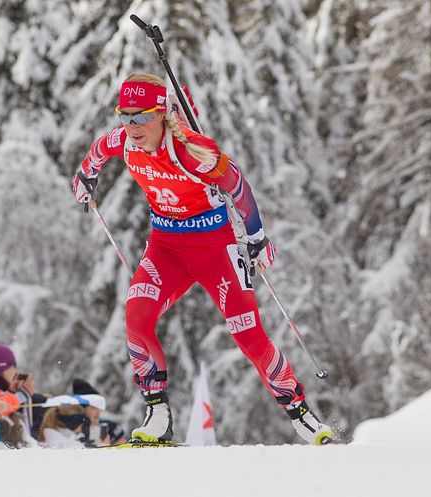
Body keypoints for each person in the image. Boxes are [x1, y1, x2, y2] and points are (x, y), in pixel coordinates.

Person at [71, 73, 334, 445]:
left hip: (216, 249)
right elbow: (98, 150)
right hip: (167, 248)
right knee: (137, 316)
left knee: (249, 337)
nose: (131, 126)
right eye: (124, 115)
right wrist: (86, 176)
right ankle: (158, 414)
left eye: (140, 116)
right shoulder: (125, 143)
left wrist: (257, 237)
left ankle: (301, 414)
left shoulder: (192, 150)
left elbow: (238, 186)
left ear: (161, 113)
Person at [72, 378, 126, 446]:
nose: (98, 411)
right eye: (93, 408)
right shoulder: (75, 431)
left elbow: (125, 448)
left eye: (99, 407)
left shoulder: (111, 427)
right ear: (82, 409)